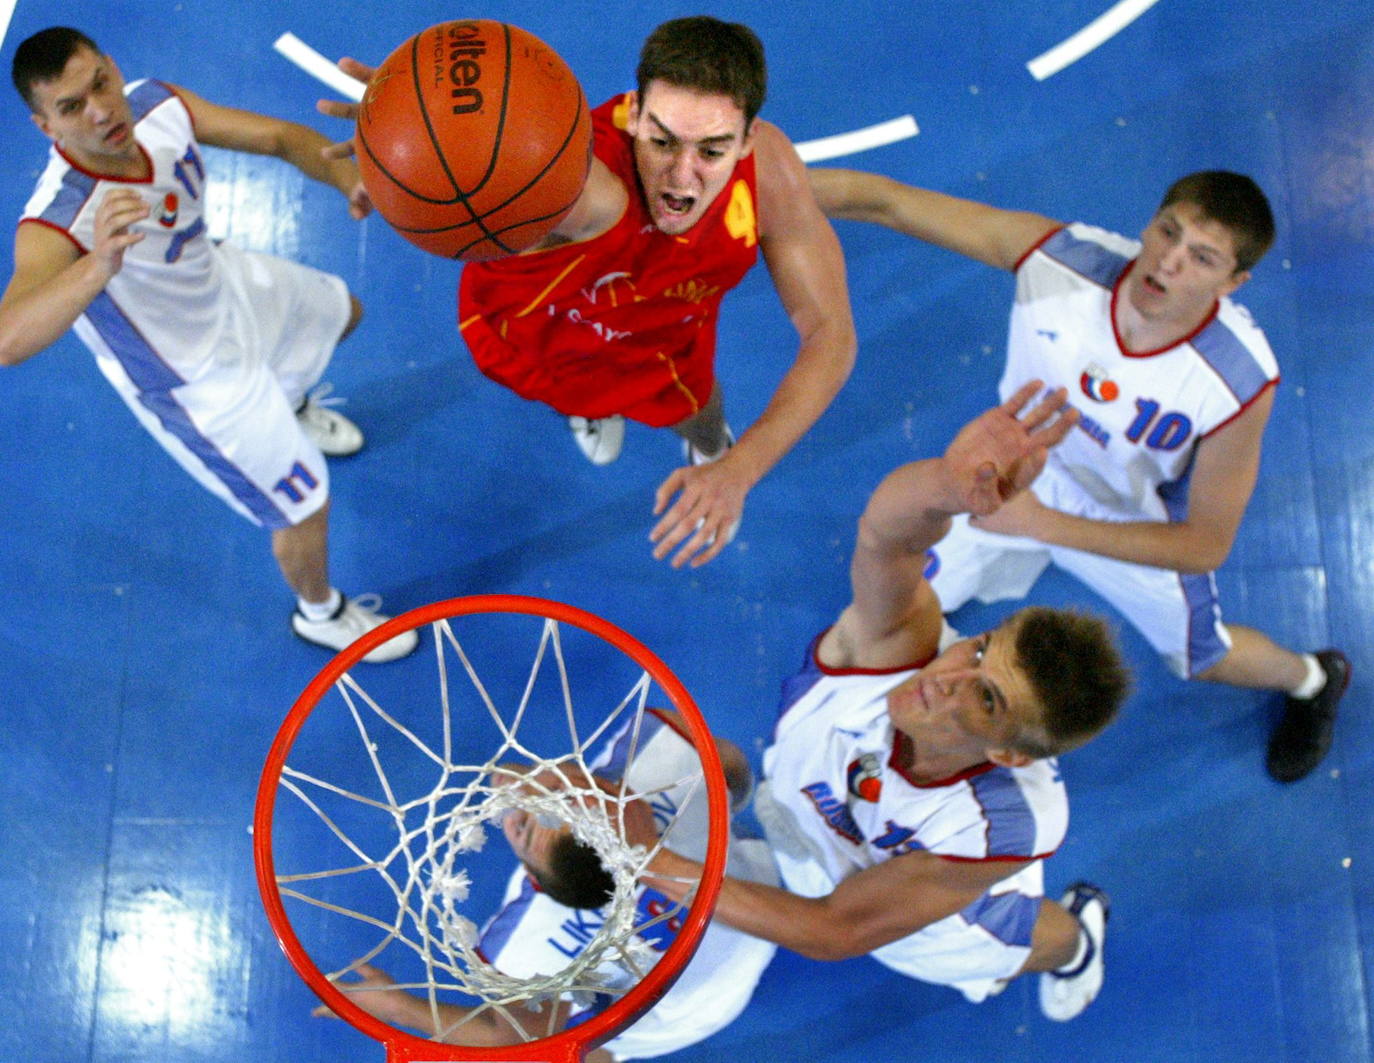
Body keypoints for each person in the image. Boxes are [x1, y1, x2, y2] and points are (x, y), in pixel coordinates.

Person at [808, 167, 1349, 782]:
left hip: (1125, 522)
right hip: (1011, 478)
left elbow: (1204, 545)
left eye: (1201, 258)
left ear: (1234, 282)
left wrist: (1044, 525)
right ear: (1149, 222)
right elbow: (890, 202)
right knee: (888, 603)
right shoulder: (1058, 258)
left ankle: (1312, 677)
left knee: (1203, 656)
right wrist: (747, 181)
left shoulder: (1240, 381)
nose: (1169, 263)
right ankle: (850, 741)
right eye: (1167, 232)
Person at [633, 383, 1131, 1021]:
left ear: (1006, 752)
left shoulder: (1000, 826)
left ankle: (1078, 944)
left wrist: (646, 859)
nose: (948, 675)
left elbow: (837, 930)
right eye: (978, 650)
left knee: (1019, 944)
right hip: (821, 835)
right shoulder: (898, 646)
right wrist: (945, 487)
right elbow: (886, 540)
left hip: (933, 923)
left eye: (983, 696)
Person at [322, 16, 856, 568]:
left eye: (713, 150)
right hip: (543, 327)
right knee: (569, 392)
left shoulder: (771, 171)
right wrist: (415, 154)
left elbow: (830, 333)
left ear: (748, 140)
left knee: (700, 408)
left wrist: (738, 469)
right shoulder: (580, 183)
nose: (681, 177)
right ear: (635, 113)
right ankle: (591, 410)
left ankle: (710, 449)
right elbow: (479, 168)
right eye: (662, 140)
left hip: (661, 333)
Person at [1, 27, 415, 662]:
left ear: (114, 69)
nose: (102, 110)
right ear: (44, 126)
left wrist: (351, 182)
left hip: (223, 286)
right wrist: (97, 266)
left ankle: (292, 401)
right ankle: (322, 614)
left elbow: (279, 138)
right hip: (195, 382)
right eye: (72, 107)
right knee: (304, 506)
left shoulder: (158, 106)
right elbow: (7, 339)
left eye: (101, 85)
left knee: (346, 313)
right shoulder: (61, 218)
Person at [318, 707, 778, 1059]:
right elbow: (734, 768)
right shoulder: (669, 759)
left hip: (665, 1023)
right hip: (763, 917)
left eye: (527, 821)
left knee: (576, 1046)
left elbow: (526, 1045)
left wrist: (400, 1009)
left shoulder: (521, 949)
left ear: (534, 878)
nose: (523, 799)